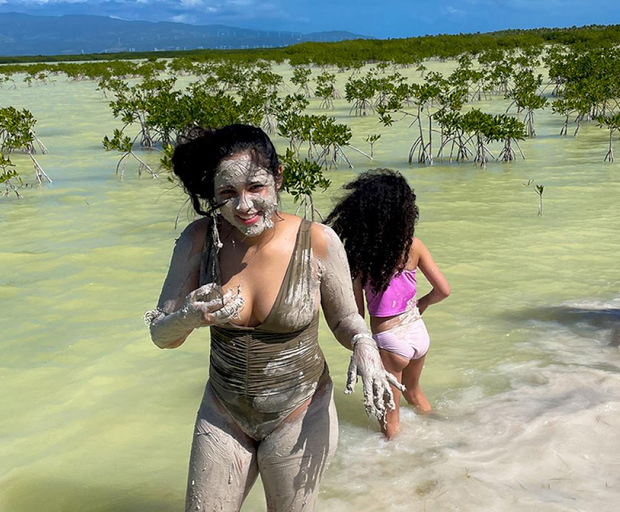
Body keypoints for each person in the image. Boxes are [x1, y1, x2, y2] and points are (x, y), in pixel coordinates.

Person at [144, 124, 399, 512]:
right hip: (223, 410)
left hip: (300, 410)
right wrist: (188, 316)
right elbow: (161, 335)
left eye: (255, 187)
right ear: (213, 195)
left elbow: (346, 317)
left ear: (278, 178)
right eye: (227, 194)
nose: (243, 206)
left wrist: (365, 344)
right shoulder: (198, 240)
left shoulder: (318, 241)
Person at [326, 169, 450, 439]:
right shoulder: (413, 246)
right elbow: (443, 290)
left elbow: (356, 314)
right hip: (418, 331)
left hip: (390, 341)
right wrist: (423, 304)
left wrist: (362, 348)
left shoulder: (359, 257)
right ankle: (441, 437)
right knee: (415, 395)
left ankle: (394, 469)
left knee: (389, 420)